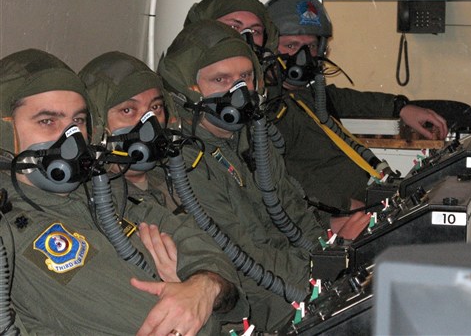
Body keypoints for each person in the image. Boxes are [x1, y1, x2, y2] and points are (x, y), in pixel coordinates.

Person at [0, 48, 247, 335]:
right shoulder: (23, 234)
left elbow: (213, 257)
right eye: (47, 122)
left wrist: (204, 284)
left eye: (77, 122)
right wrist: (190, 291)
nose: (71, 139)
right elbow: (160, 325)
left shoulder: (103, 193)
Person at [157, 19, 372, 332]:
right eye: (221, 79)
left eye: (245, 77)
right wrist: (322, 276)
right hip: (267, 305)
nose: (239, 90)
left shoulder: (253, 138)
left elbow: (294, 209)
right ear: (185, 90)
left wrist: (332, 257)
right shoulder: (185, 164)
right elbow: (244, 256)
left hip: (300, 283)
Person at [263, 0, 449, 214]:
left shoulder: (309, 95)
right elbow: (286, 175)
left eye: (311, 46)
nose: (303, 56)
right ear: (270, 48)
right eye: (291, 45)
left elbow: (350, 100)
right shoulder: (268, 110)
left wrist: (401, 107)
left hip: (368, 198)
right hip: (337, 213)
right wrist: (345, 207)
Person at [79, 51, 182, 212]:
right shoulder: (98, 204)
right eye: (127, 110)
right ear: (95, 124)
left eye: (155, 108)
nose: (149, 123)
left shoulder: (175, 178)